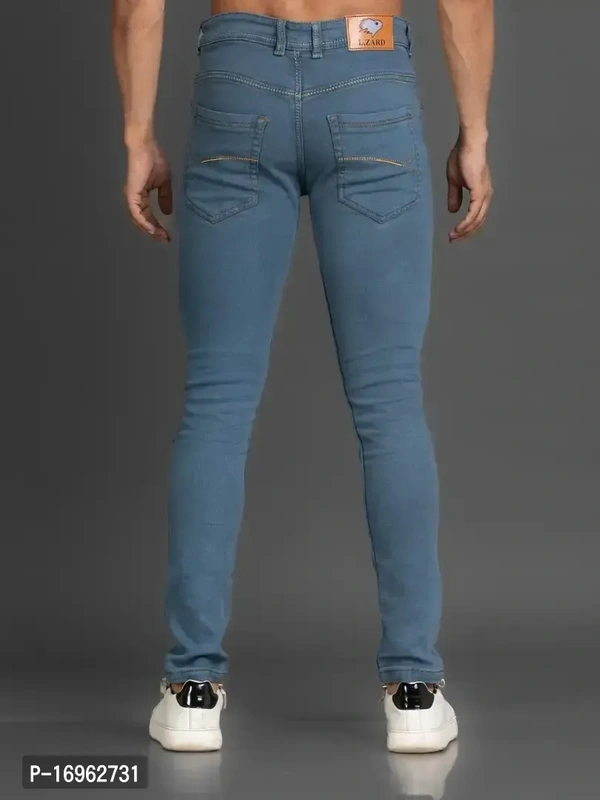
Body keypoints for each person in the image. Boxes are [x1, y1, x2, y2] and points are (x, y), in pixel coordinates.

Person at [111, 0, 494, 753]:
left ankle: (192, 691)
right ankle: (414, 693)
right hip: (368, 70)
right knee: (390, 402)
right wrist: (475, 134)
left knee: (216, 404)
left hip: (238, 75)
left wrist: (137, 135)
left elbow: (137, 8)